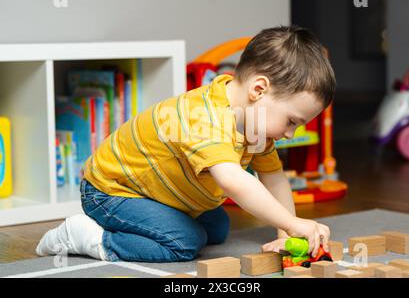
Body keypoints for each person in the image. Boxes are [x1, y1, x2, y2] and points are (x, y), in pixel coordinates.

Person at [36, 25, 336, 263]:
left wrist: (286, 231)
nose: (290, 134)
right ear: (259, 89)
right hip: (111, 192)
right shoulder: (204, 117)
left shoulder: (255, 121)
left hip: (161, 194)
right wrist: (297, 225)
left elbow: (273, 176)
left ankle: (151, 222)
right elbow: (234, 181)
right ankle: (88, 237)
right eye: (292, 121)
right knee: (184, 242)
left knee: (218, 228)